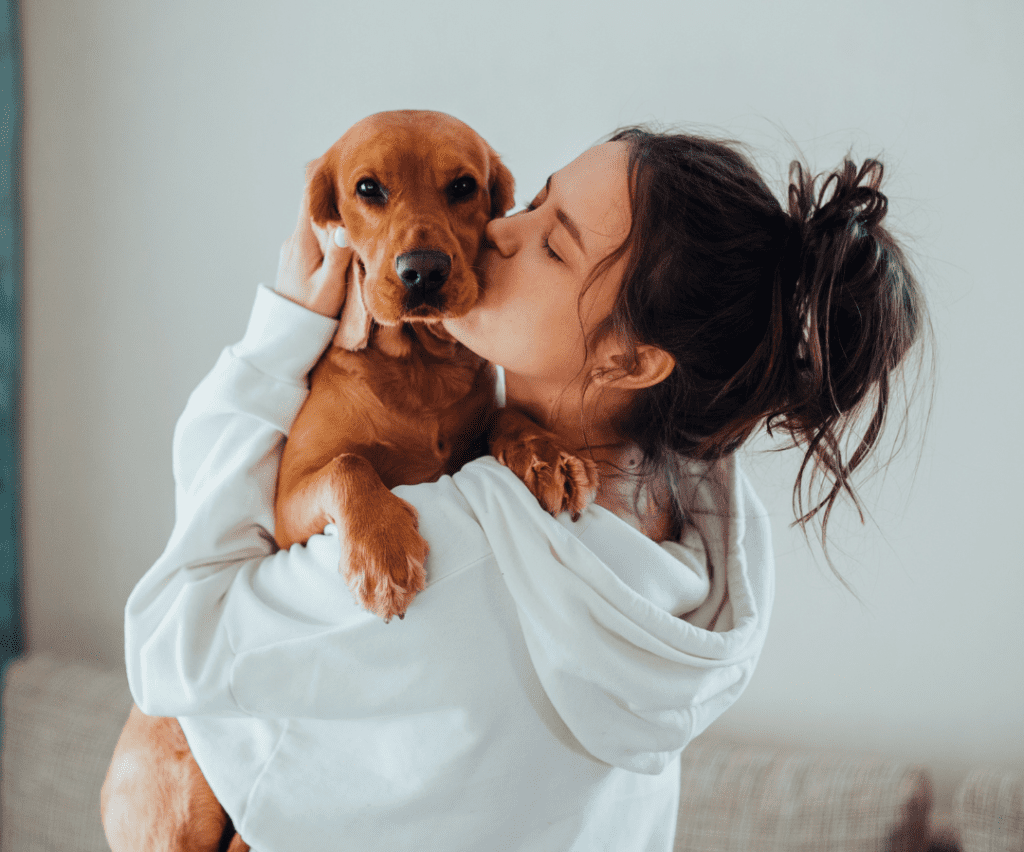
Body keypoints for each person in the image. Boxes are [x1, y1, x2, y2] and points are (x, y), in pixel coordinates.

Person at [111, 127, 924, 852]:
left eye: (553, 244)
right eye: (533, 201)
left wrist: (278, 335)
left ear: (630, 362)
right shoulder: (700, 542)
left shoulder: (457, 551)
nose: (497, 233)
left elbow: (166, 647)